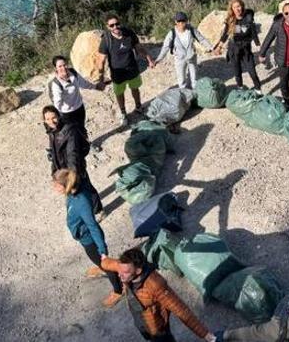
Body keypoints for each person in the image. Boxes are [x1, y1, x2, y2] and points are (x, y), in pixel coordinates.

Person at [101, 248, 216, 342]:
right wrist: (103, 259)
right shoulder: (124, 267)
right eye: (119, 271)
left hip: (158, 329)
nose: (120, 276)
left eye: (125, 273)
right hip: (141, 322)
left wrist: (205, 334)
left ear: (138, 271)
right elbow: (110, 264)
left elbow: (181, 310)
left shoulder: (156, 285)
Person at [51, 169, 124, 308]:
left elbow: (93, 226)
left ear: (66, 185)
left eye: (56, 186)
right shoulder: (72, 194)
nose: (54, 188)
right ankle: (101, 266)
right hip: (84, 237)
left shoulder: (81, 202)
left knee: (104, 263)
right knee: (94, 259)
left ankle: (118, 289)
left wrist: (103, 251)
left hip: (90, 240)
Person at [96, 13, 154, 125]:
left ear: (120, 23)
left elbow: (139, 48)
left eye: (117, 24)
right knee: (119, 94)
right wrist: (100, 79)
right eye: (112, 25)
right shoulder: (106, 40)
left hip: (132, 69)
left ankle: (138, 107)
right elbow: (101, 61)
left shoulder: (129, 33)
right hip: (117, 73)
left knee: (135, 89)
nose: (115, 27)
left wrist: (149, 59)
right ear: (108, 27)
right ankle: (123, 113)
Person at [43, 105, 102, 214]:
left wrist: (73, 175)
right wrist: (54, 172)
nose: (51, 121)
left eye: (54, 117)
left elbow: (72, 154)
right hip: (63, 167)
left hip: (75, 167)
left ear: (59, 116)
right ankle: (86, 206)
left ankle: (97, 210)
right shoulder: (51, 131)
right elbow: (54, 151)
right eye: (47, 119)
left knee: (84, 187)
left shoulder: (69, 131)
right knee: (80, 188)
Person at [212, 0, 262, 92]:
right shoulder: (230, 20)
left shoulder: (248, 17)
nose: (237, 9)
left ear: (242, 6)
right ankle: (240, 88)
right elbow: (225, 35)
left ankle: (258, 89)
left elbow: (253, 32)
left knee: (252, 71)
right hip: (234, 49)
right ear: (232, 9)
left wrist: (260, 48)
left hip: (246, 49)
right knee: (237, 72)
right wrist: (219, 47)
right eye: (234, 7)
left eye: (238, 6)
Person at [153, 12, 214, 89]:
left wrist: (211, 48)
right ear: (175, 22)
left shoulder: (191, 30)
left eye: (183, 21)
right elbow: (165, 48)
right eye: (179, 21)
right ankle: (184, 97)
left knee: (194, 79)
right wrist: (157, 60)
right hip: (180, 60)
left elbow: (201, 39)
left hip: (191, 58)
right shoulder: (172, 33)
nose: (181, 23)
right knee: (181, 81)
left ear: (186, 21)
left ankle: (194, 96)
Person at [48, 55, 105, 131]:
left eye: (64, 65)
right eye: (60, 66)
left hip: (79, 107)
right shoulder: (56, 84)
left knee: (82, 128)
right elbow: (57, 102)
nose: (63, 68)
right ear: (56, 68)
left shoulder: (73, 73)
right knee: (72, 133)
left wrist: (95, 87)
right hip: (66, 113)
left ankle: (85, 142)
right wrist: (55, 117)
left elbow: (84, 83)